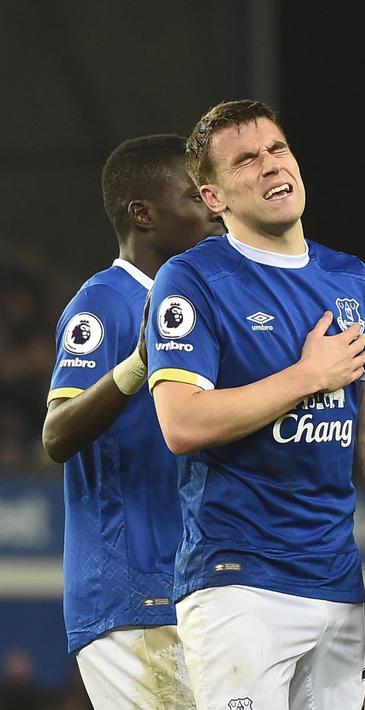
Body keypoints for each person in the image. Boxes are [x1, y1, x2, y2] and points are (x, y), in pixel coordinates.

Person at [145, 99, 365, 708]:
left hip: (335, 582)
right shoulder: (192, 280)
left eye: (277, 149)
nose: (271, 165)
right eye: (246, 160)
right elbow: (181, 421)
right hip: (238, 583)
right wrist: (305, 377)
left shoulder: (351, 278)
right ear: (215, 198)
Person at [42, 134, 225, 709]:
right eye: (195, 198)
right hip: (131, 587)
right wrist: (138, 364)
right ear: (143, 214)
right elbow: (56, 433)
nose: (212, 210)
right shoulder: (106, 303)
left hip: (187, 583)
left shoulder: (193, 308)